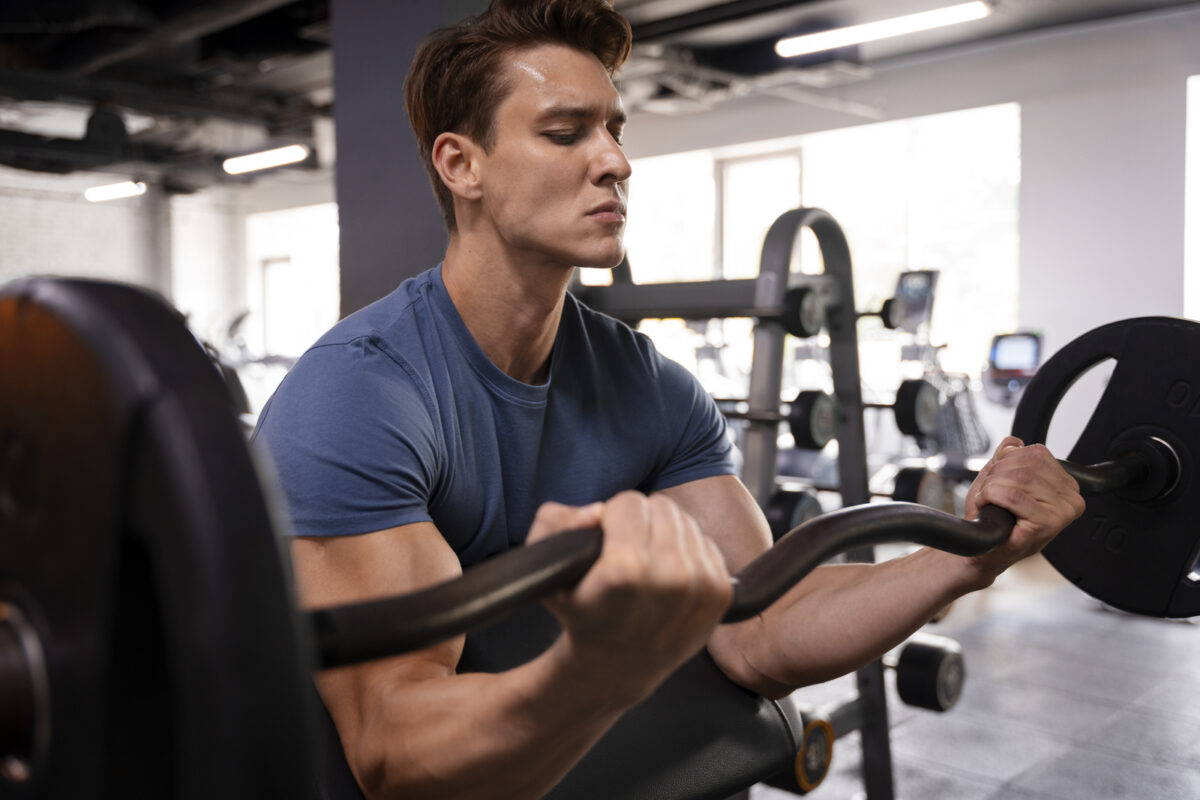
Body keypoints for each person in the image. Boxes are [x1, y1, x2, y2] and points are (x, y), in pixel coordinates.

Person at [252, 1, 1085, 798]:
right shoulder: (358, 395)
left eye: (613, 128)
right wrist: (599, 669)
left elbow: (759, 624)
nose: (614, 160)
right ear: (460, 164)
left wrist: (966, 557)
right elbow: (393, 751)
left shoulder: (649, 386)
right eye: (564, 132)